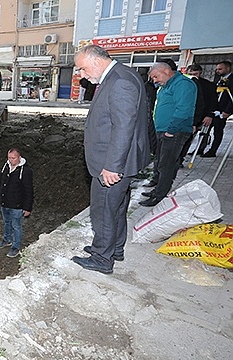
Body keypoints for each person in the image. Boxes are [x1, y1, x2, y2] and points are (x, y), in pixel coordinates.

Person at [72, 45, 150, 274]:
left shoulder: (119, 82)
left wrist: (112, 166)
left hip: (113, 163)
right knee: (116, 207)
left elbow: (123, 127)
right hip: (120, 160)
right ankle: (114, 248)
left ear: (96, 61)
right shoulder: (122, 74)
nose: (82, 75)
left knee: (104, 209)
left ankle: (101, 259)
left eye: (83, 69)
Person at [139, 62, 196, 207]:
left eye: (155, 77)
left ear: (166, 71)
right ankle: (157, 189)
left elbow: (183, 109)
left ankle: (159, 196)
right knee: (161, 161)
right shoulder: (165, 86)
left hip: (174, 132)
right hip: (164, 131)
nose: (154, 81)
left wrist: (171, 130)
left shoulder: (182, 84)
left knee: (167, 164)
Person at [0, 148, 33, 258]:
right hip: (4, 202)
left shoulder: (25, 171)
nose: (11, 160)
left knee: (16, 226)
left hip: (17, 205)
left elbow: (29, 190)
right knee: (6, 222)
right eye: (9, 158)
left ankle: (15, 247)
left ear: (19, 157)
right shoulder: (6, 166)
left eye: (13, 158)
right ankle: (7, 240)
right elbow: (1, 181)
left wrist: (27, 207)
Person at [200, 60, 233, 157]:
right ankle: (200, 148)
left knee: (217, 131)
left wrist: (227, 111)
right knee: (205, 129)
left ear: (227, 68)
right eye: (217, 69)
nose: (217, 71)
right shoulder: (218, 79)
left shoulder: (231, 80)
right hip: (213, 109)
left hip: (222, 111)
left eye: (220, 69)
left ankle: (213, 150)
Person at [184, 64, 217, 157]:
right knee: (186, 137)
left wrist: (210, 115)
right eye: (191, 74)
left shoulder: (208, 85)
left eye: (196, 74)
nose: (193, 76)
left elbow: (213, 102)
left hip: (203, 115)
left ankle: (200, 149)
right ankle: (180, 158)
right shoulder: (184, 83)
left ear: (200, 73)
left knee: (204, 134)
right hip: (188, 114)